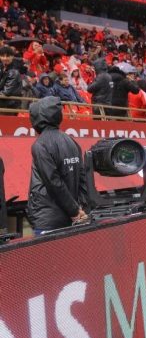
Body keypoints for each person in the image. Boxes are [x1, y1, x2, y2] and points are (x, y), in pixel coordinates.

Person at [26, 96, 89, 235]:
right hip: (70, 216)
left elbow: (53, 181)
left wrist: (74, 211)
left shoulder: (40, 144)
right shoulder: (71, 141)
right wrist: (80, 209)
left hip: (48, 218)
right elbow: (82, 178)